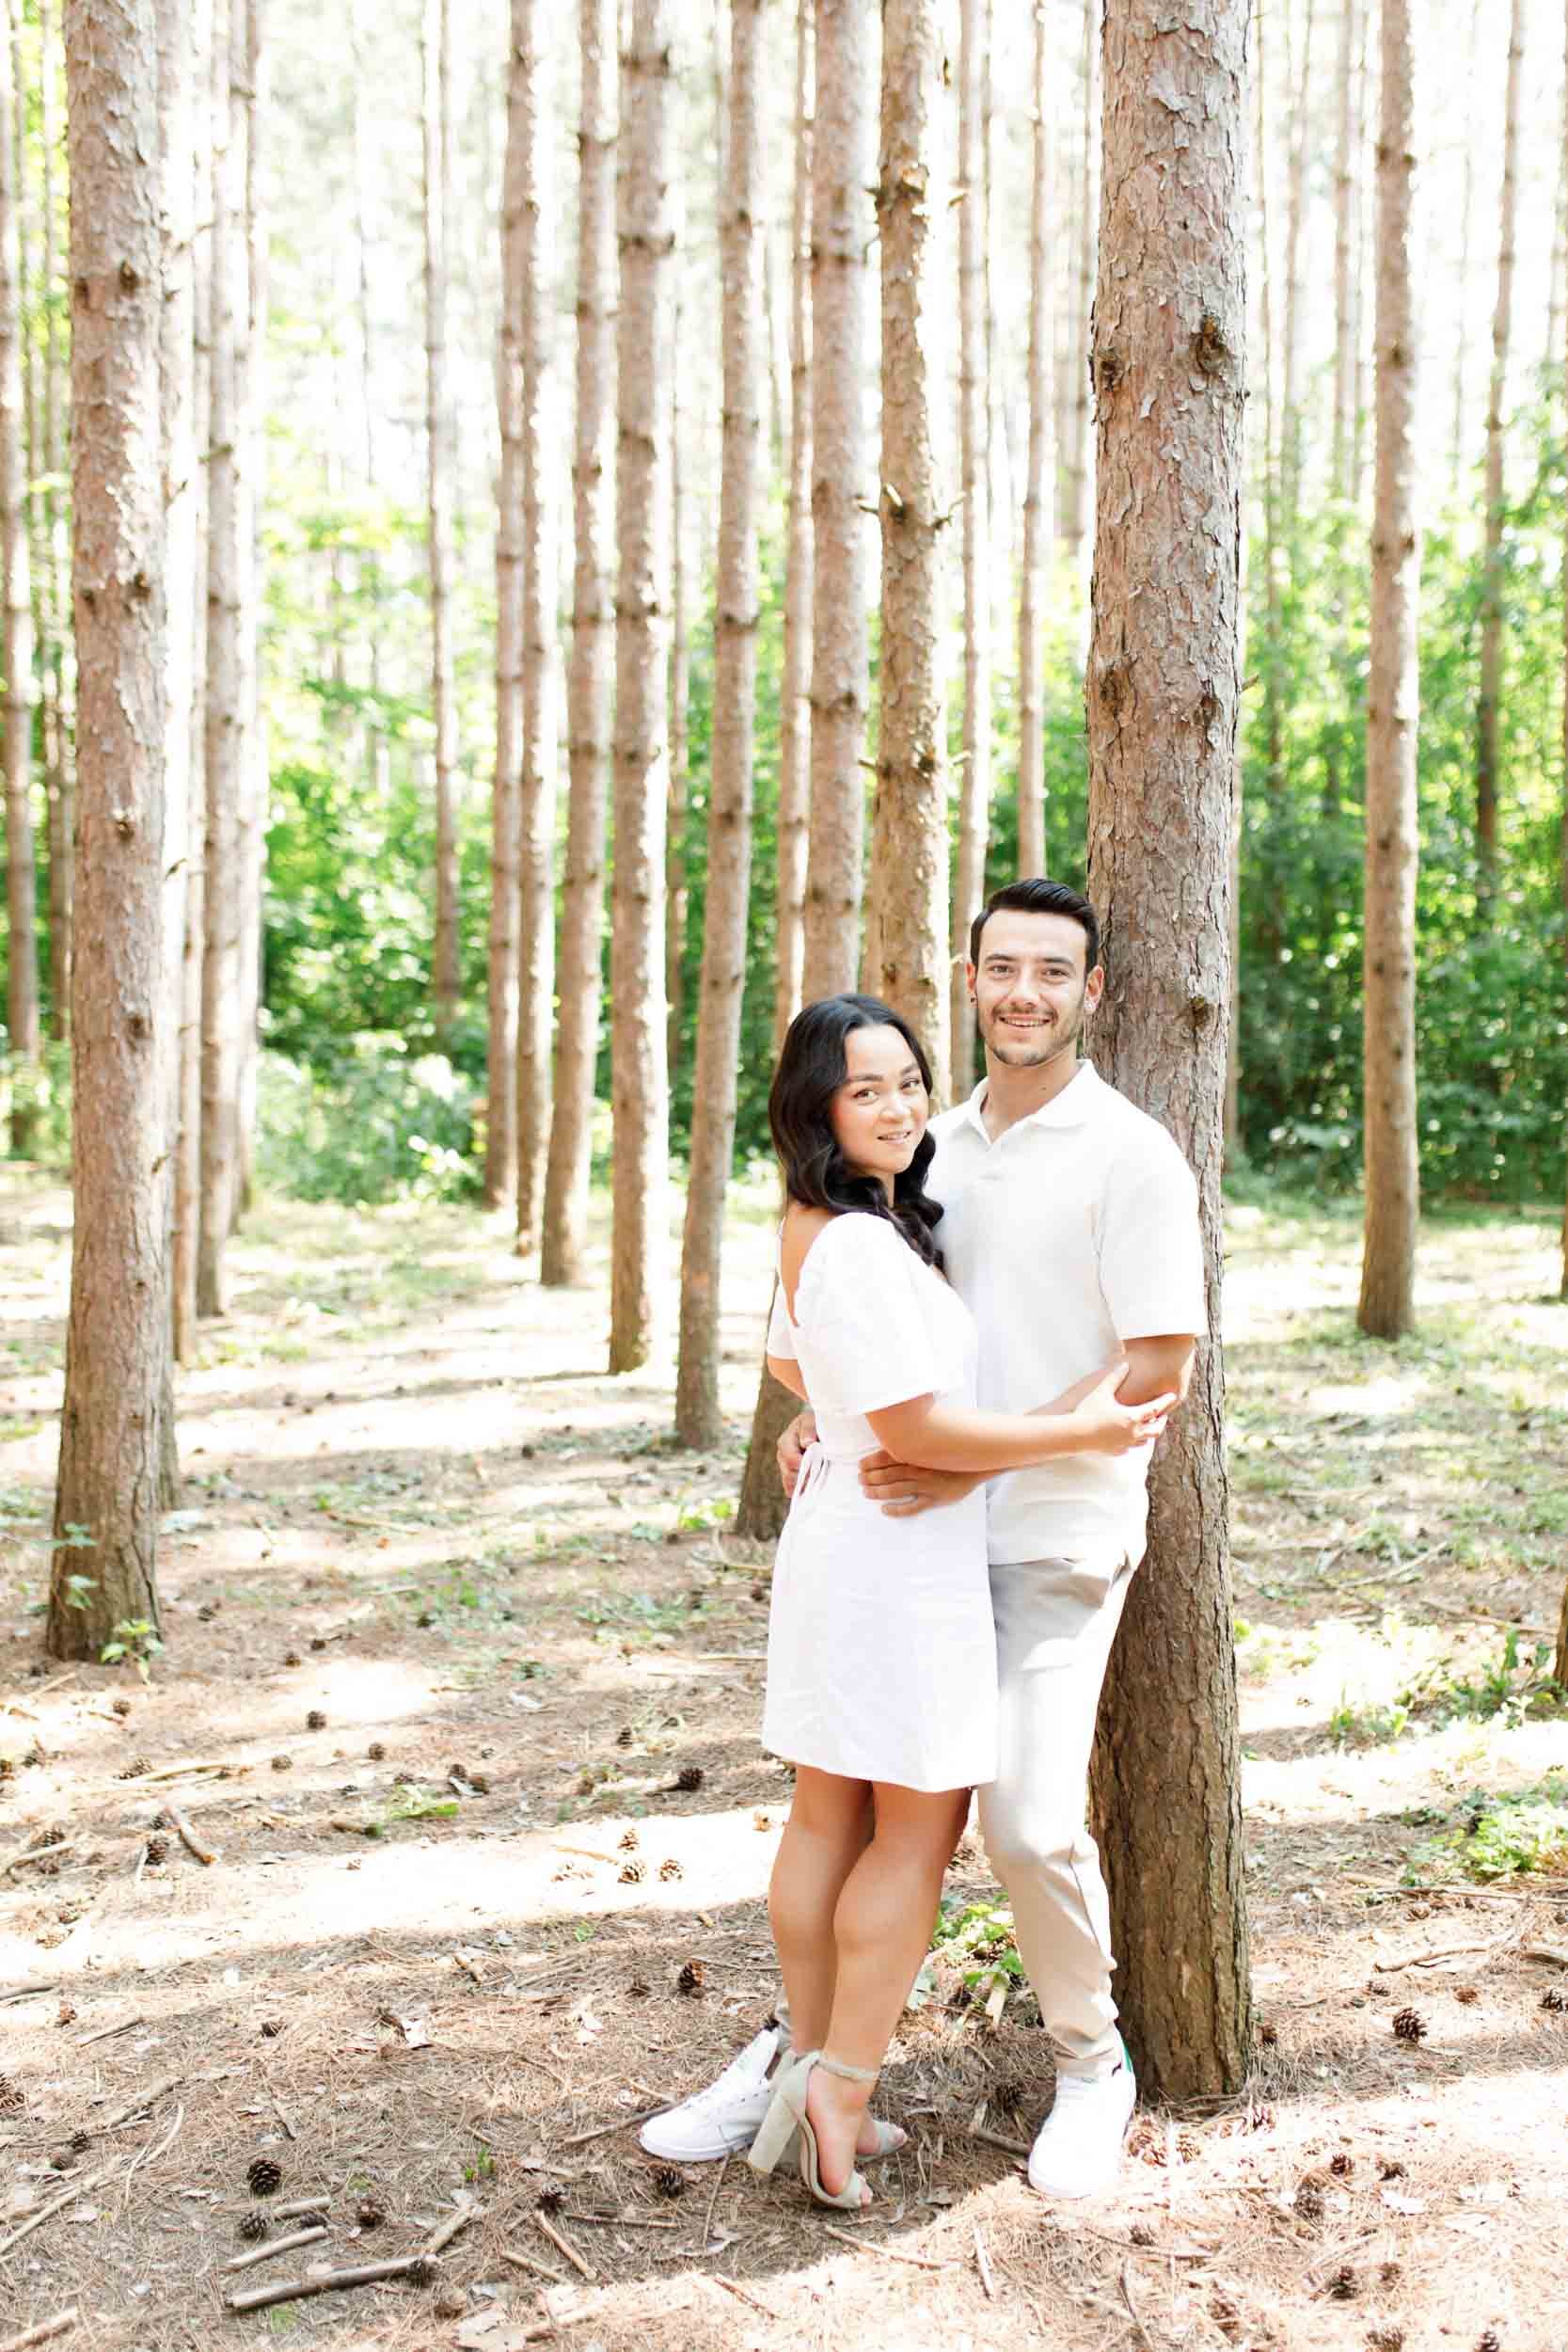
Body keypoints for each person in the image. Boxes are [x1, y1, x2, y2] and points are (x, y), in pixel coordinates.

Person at [641, 881, 1206, 2202]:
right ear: (971, 980)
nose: (1024, 991)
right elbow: (833, 1318)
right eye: (1001, 967)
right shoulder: (920, 1140)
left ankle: (1089, 2064)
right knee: (838, 1802)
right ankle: (806, 2056)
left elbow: (1154, 1371)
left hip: (1053, 1533)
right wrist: (812, 1423)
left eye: (1052, 972)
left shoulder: (1132, 1156)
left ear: (1094, 992)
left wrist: (963, 1453)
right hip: (906, 1553)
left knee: (1018, 1819)